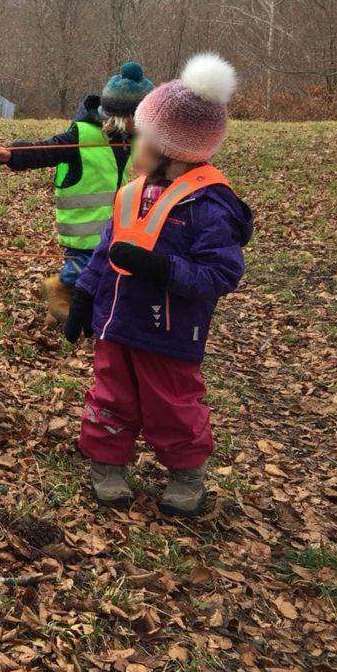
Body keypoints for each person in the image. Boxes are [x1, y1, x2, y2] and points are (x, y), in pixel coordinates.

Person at [64, 53, 253, 517]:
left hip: (169, 332)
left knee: (173, 405)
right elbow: (107, 251)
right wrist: (85, 296)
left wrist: (162, 269)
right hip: (116, 321)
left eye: (144, 134)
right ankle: (107, 463)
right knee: (110, 396)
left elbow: (221, 273)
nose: (134, 140)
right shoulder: (132, 192)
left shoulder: (210, 206)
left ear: (172, 147)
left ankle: (187, 474)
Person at [0, 62, 153, 324]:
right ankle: (58, 287)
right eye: (142, 119)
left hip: (108, 223)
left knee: (100, 270)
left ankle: (60, 312)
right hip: (82, 224)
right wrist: (11, 154)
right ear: (123, 116)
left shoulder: (130, 139)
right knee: (91, 265)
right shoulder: (82, 135)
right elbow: (47, 150)